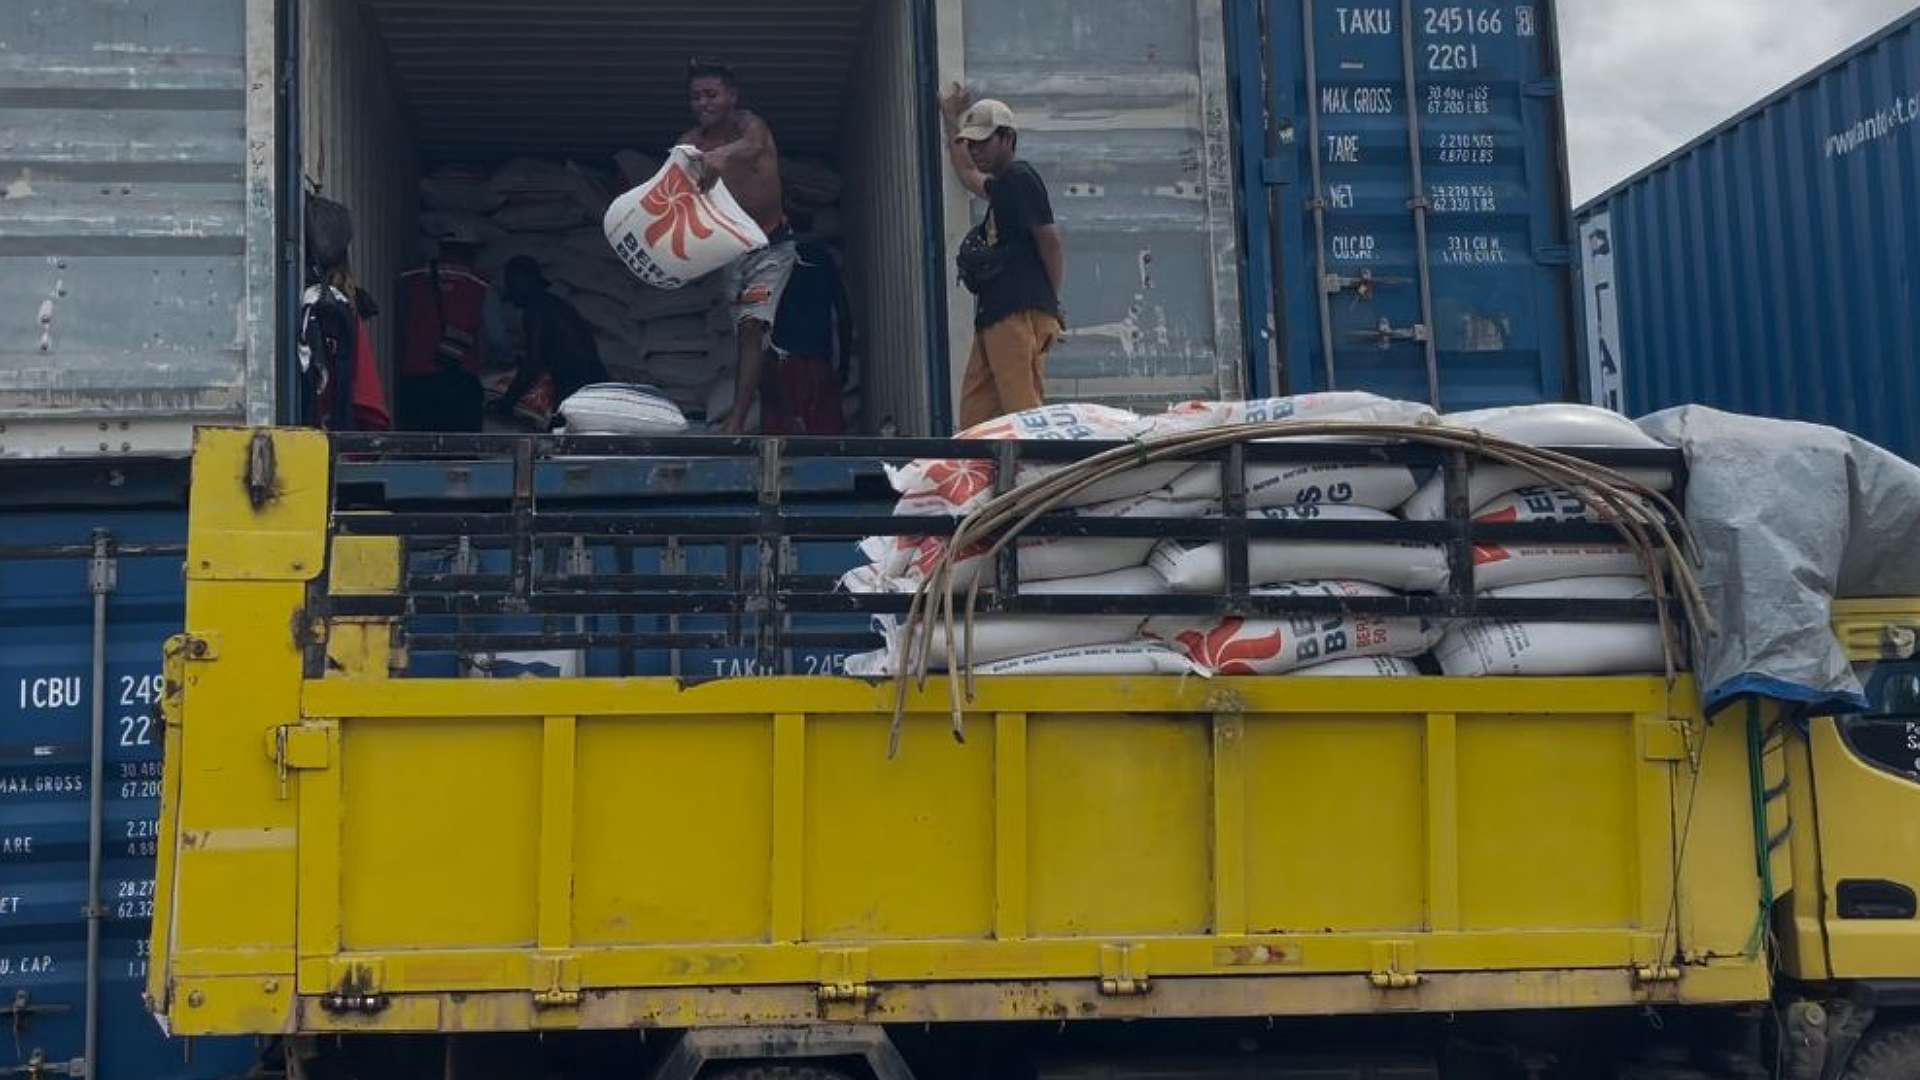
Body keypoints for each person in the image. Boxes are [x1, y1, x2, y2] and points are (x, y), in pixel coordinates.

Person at [939, 87, 1065, 430]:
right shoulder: (1004, 185)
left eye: (983, 142)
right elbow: (967, 174)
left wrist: (1049, 305)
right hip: (994, 315)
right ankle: (985, 479)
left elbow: (1050, 242)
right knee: (976, 417)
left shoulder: (1020, 178)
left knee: (1023, 413)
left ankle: (1037, 477)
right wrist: (952, 120)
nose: (975, 150)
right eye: (972, 143)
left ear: (1008, 138)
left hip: (1017, 313)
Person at [679, 59, 795, 434]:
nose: (703, 103)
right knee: (752, 342)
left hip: (772, 246)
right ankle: (780, 410)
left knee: (751, 327)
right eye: (696, 97)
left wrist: (719, 156)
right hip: (730, 252)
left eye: (711, 94)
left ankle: (737, 421)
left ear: (731, 96)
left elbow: (752, 147)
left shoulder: (751, 126)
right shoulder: (689, 144)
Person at [395, 225, 494, 431]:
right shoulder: (480, 285)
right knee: (462, 454)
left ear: (441, 248)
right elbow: (498, 337)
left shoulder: (410, 279)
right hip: (460, 382)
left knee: (418, 452)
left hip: (416, 379)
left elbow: (402, 326)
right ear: (469, 251)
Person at [763, 220, 852, 435]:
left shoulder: (773, 261)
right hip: (815, 361)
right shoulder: (823, 258)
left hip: (785, 363)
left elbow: (757, 322)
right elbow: (843, 313)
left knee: (782, 438)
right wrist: (843, 366)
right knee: (824, 438)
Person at [495, 255, 609, 423]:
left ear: (529, 282)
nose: (511, 290)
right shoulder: (552, 304)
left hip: (578, 384)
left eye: (514, 284)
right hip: (587, 381)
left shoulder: (537, 309)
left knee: (562, 439)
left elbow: (532, 363)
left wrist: (507, 402)